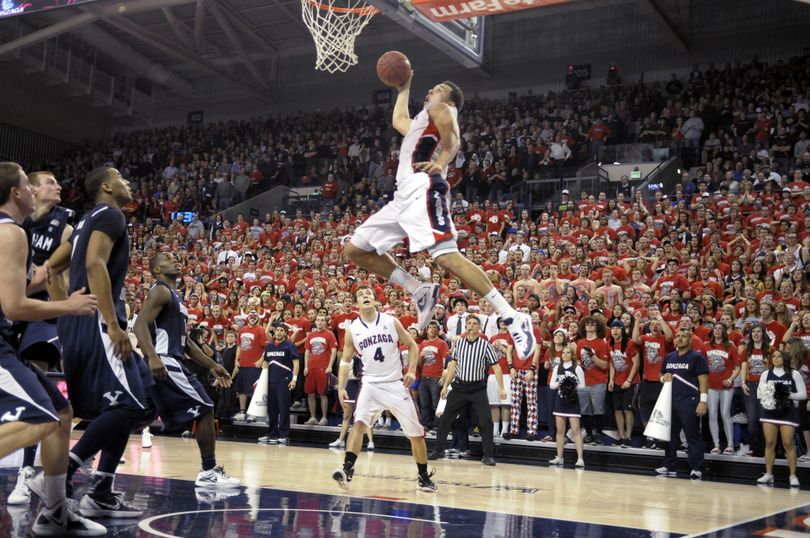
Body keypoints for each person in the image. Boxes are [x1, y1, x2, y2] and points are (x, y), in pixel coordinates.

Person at [344, 74, 535, 359]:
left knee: (445, 256)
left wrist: (441, 162)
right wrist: (404, 88)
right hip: (403, 197)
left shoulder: (443, 109)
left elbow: (453, 140)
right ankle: (417, 289)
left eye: (439, 89)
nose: (431, 90)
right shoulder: (424, 120)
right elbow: (398, 121)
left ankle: (512, 316)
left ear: (449, 100)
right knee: (355, 249)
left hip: (423, 186)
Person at [0, 162, 104, 536]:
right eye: (29, 184)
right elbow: (13, 307)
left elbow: (9, 295)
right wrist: (68, 306)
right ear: (16, 193)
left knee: (61, 413)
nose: (32, 190)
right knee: (40, 418)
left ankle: (56, 510)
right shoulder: (11, 234)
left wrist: (39, 281)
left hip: (8, 340)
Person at [48, 167, 154, 517]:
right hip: (97, 319)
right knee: (131, 405)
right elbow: (95, 264)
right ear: (107, 186)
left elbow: (49, 269)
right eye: (122, 177)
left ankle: (102, 489)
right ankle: (62, 474)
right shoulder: (111, 214)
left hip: (79, 321)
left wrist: (63, 310)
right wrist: (112, 323)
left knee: (145, 399)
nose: (128, 182)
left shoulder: (83, 221)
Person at [131, 251, 240, 488]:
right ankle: (209, 471)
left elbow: (187, 343)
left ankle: (84, 457)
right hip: (166, 362)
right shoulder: (160, 290)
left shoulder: (175, 297)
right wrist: (152, 356)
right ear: (157, 270)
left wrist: (213, 366)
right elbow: (139, 324)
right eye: (168, 259)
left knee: (135, 417)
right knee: (205, 408)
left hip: (168, 359)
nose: (175, 260)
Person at [8, 170, 74, 507]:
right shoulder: (13, 226)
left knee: (46, 399)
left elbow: (57, 281)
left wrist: (63, 310)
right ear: (30, 190)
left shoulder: (65, 228)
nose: (58, 186)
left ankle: (28, 474)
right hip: (11, 307)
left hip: (41, 310)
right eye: (50, 182)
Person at [332, 286, 436, 492]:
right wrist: (341, 386)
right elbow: (345, 361)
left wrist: (412, 370)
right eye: (361, 295)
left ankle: (423, 476)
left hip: (395, 383)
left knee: (415, 434)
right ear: (356, 304)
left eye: (369, 293)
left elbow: (413, 346)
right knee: (359, 423)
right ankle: (347, 469)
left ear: (374, 299)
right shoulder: (353, 329)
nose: (366, 296)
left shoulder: (390, 321)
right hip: (370, 384)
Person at [428, 315, 505, 465]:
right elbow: (453, 366)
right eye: (469, 323)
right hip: (459, 387)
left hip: (477, 388)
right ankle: (438, 450)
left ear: (479, 327)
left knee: (486, 421)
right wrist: (445, 386)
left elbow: (496, 366)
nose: (471, 325)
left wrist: (501, 387)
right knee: (445, 419)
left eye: (474, 323)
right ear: (466, 326)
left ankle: (488, 455)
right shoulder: (459, 344)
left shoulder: (485, 345)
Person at [656, 327, 709, 480]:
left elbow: (704, 381)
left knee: (692, 435)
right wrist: (662, 378)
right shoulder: (670, 357)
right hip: (671, 401)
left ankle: (696, 467)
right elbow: (661, 373)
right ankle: (669, 465)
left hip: (689, 401)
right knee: (670, 435)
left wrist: (703, 401)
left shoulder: (697, 358)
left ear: (690, 340)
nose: (679, 338)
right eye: (678, 336)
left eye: (683, 336)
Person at [755, 350, 806, 487]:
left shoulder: (794, 374)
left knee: (788, 443)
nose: (775, 358)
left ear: (784, 358)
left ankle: (793, 475)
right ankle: (768, 474)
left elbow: (803, 395)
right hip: (769, 412)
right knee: (770, 442)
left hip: (787, 413)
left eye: (778, 356)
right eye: (773, 356)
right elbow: (760, 392)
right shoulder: (766, 374)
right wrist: (770, 395)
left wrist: (786, 395)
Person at [256, 323, 300, 445]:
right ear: (274, 332)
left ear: (286, 333)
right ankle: (272, 433)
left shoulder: (290, 346)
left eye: (281, 330)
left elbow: (296, 363)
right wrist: (264, 364)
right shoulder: (269, 346)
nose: (279, 332)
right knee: (272, 409)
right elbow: (265, 361)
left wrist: (294, 379)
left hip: (284, 381)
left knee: (284, 408)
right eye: (277, 330)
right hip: (270, 381)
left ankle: (284, 435)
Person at [705, 323, 740, 455]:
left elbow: (737, 367)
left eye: (720, 328)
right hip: (711, 385)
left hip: (727, 386)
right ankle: (716, 445)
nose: (718, 330)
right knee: (712, 414)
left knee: (725, 414)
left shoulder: (731, 346)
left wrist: (731, 379)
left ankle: (730, 445)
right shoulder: (706, 345)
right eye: (716, 328)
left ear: (725, 332)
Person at [548, 346, 586, 468]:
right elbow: (551, 385)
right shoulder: (557, 368)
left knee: (576, 430)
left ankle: (580, 458)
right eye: (563, 352)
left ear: (572, 354)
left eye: (568, 352)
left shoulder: (577, 368)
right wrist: (561, 383)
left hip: (573, 402)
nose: (565, 354)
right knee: (560, 431)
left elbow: (582, 385)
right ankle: (559, 457)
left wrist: (572, 384)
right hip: (560, 402)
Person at [606, 320, 639, 447]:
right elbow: (612, 363)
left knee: (628, 409)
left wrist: (629, 380)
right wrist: (611, 380)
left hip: (631, 382)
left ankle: (629, 437)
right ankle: (622, 436)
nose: (614, 330)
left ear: (622, 330)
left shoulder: (629, 343)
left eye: (617, 328)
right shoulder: (609, 344)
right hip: (617, 381)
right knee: (618, 409)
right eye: (613, 328)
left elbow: (636, 363)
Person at [303, 314, 338, 425]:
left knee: (323, 393)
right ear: (315, 322)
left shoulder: (330, 334)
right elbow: (307, 351)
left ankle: (324, 417)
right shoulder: (311, 335)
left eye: (322, 320)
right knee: (310, 393)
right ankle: (313, 417)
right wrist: (306, 366)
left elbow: (334, 351)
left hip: (323, 368)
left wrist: (330, 366)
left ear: (325, 322)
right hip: (311, 367)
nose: (320, 322)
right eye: (318, 320)